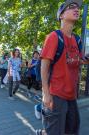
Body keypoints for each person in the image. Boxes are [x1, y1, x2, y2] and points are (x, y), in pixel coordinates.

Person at [40, 0, 89, 135]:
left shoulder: (77, 39)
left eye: (78, 7)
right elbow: (44, 66)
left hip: (72, 96)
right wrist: (46, 94)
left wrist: (85, 60)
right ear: (61, 15)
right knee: (55, 131)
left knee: (73, 129)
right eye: (71, 7)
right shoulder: (54, 37)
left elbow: (78, 60)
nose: (76, 9)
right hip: (56, 94)